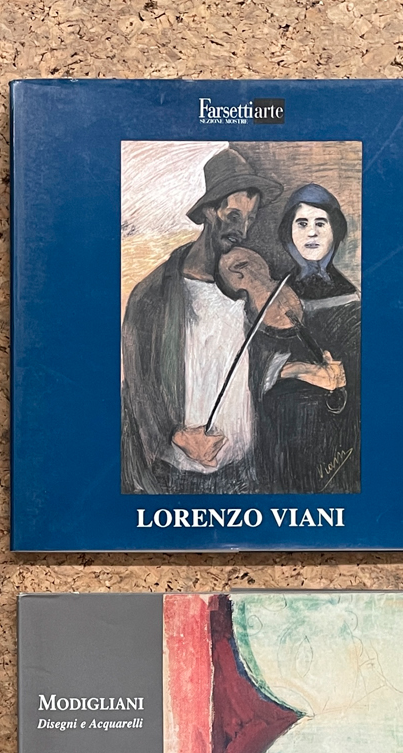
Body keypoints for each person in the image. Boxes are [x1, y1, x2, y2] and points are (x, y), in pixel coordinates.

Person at [121, 147, 287, 495]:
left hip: (244, 474)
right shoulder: (152, 293)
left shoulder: (245, 286)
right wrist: (177, 436)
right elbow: (139, 387)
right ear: (210, 211)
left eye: (251, 218)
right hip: (175, 476)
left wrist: (300, 370)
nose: (243, 230)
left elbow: (247, 365)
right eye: (233, 215)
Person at [253, 184, 361, 493]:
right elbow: (253, 364)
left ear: (335, 230)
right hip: (282, 436)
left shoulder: (352, 297)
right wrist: (298, 370)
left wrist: (342, 375)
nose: (311, 233)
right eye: (301, 223)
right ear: (289, 233)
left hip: (337, 433)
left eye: (320, 223)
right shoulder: (274, 295)